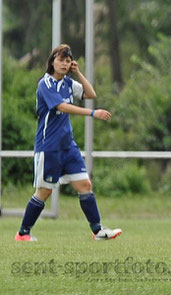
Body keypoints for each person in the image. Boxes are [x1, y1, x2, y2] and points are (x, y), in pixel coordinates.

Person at [15, 44, 122, 242]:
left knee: (85, 184)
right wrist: (92, 113)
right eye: (60, 60)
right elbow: (62, 106)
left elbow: (91, 94)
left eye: (67, 60)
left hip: (68, 146)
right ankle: (23, 233)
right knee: (44, 191)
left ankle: (97, 231)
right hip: (49, 147)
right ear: (52, 62)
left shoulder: (68, 83)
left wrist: (78, 73)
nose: (64, 64)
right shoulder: (45, 84)